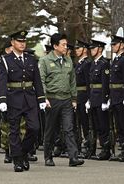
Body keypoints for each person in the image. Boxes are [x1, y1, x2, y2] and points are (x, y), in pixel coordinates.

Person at [0, 30, 45, 172]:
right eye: (19, 41)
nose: (22, 44)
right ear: (12, 43)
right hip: (14, 98)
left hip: (30, 98)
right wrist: (3, 100)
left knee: (35, 128)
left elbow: (37, 80)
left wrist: (41, 98)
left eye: (24, 41)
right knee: (14, 130)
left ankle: (23, 152)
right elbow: (2, 81)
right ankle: (17, 160)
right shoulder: (5, 60)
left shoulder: (31, 59)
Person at [39, 33, 85, 167]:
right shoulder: (45, 61)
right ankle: (48, 156)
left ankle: (73, 157)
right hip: (52, 99)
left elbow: (72, 81)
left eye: (66, 44)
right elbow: (41, 81)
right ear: (55, 46)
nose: (66, 47)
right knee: (51, 129)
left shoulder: (68, 60)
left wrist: (74, 98)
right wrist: (44, 98)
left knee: (69, 128)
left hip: (66, 100)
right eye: (63, 44)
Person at [86, 39, 111, 160]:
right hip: (93, 97)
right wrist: (89, 99)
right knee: (95, 124)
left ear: (100, 49)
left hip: (100, 97)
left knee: (103, 125)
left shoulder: (104, 63)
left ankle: (105, 149)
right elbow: (90, 83)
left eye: (93, 48)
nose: (91, 50)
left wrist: (105, 100)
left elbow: (105, 83)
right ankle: (95, 149)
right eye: (91, 48)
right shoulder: (93, 64)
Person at [109, 35, 124, 161]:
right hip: (114, 96)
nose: (113, 47)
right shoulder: (116, 60)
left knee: (123, 124)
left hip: (121, 96)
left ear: (122, 45)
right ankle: (123, 148)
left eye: (115, 44)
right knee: (118, 125)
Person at [74, 40, 91, 156]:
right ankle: (80, 144)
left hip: (84, 95)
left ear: (84, 49)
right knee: (78, 122)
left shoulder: (86, 64)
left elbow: (88, 82)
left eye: (78, 48)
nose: (76, 51)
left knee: (85, 123)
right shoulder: (79, 64)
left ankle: (88, 145)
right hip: (78, 96)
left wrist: (89, 99)